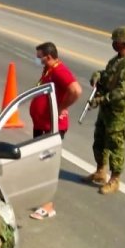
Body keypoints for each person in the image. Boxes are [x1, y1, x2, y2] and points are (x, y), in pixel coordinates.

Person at [84, 26, 125, 195]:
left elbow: (122, 91)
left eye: (116, 41)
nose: (114, 44)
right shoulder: (116, 60)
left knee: (115, 144)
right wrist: (97, 75)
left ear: (123, 43)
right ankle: (100, 172)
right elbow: (107, 75)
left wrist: (100, 99)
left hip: (117, 111)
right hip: (106, 109)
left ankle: (115, 179)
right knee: (100, 139)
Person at [28, 42, 82, 220]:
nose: (37, 60)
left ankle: (47, 206)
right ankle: (40, 196)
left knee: (47, 165)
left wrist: (61, 107)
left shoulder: (60, 71)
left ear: (49, 57)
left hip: (51, 127)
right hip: (42, 125)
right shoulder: (49, 69)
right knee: (39, 162)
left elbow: (76, 90)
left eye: (39, 57)